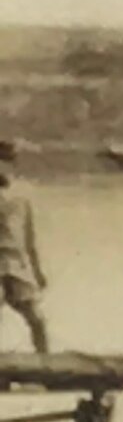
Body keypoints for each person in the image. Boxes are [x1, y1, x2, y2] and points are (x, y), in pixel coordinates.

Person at [0, 142, 50, 353]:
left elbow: (29, 238)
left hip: (16, 264)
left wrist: (37, 271)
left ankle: (46, 362)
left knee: (36, 318)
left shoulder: (20, 197)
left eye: (6, 163)